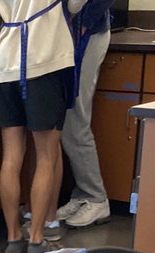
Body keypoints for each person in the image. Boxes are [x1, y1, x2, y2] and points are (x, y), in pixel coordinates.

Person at [0, 0, 85, 253]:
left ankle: (13, 238)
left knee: (11, 158)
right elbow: (74, 5)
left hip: (7, 63)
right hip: (46, 59)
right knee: (46, 156)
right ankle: (37, 239)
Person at [56, 0, 113, 228]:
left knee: (75, 119)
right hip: (75, 32)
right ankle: (82, 193)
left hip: (86, 32)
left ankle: (96, 198)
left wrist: (84, 24)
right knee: (68, 120)